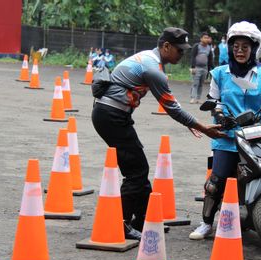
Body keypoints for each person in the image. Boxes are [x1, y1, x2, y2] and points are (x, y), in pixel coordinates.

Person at [91, 27, 226, 241]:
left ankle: (144, 221)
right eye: (179, 51)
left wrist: (192, 124)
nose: (182, 55)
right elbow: (172, 108)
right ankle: (121, 224)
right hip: (111, 116)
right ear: (166, 46)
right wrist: (203, 128)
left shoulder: (150, 59)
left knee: (138, 168)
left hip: (113, 114)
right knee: (136, 172)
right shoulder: (152, 69)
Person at [188, 21, 261, 240]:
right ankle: (207, 222)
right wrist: (218, 114)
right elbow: (213, 99)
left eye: (245, 47)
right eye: (236, 46)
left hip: (259, 135)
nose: (240, 51)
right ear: (230, 48)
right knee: (216, 181)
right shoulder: (219, 73)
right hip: (228, 136)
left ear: (253, 49)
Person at [190, 32, 213, 104]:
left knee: (201, 84)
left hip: (205, 68)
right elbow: (193, 57)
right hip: (197, 68)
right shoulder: (197, 46)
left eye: (207, 38)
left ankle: (198, 98)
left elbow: (210, 59)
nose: (206, 39)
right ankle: (193, 98)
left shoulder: (209, 48)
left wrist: (209, 70)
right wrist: (193, 67)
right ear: (201, 39)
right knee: (195, 83)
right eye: (204, 37)